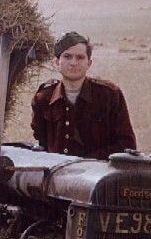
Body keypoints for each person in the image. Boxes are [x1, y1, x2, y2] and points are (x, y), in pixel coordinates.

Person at [31, 31, 136, 159]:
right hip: (57, 174)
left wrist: (87, 161)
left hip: (100, 174)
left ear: (89, 63)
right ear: (57, 62)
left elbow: (127, 144)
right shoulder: (43, 98)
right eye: (67, 56)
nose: (74, 63)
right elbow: (42, 142)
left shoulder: (109, 95)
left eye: (80, 57)